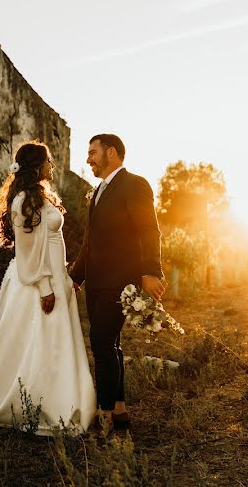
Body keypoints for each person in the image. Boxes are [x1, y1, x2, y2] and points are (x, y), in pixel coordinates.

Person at [0, 140, 96, 435]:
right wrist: (46, 286)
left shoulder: (39, 196)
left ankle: (58, 398)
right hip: (35, 281)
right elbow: (27, 250)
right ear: (37, 165)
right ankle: (34, 404)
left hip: (54, 277)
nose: (52, 165)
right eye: (48, 160)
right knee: (33, 341)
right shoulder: (23, 200)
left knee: (55, 344)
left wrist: (64, 278)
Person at [69, 133, 165, 434]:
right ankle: (121, 410)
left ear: (112, 152)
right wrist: (76, 277)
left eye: (92, 152)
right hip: (96, 283)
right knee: (110, 343)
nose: (88, 159)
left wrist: (151, 271)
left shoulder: (135, 184)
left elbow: (149, 230)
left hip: (121, 282)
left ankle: (105, 412)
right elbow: (90, 242)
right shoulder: (97, 191)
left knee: (100, 341)